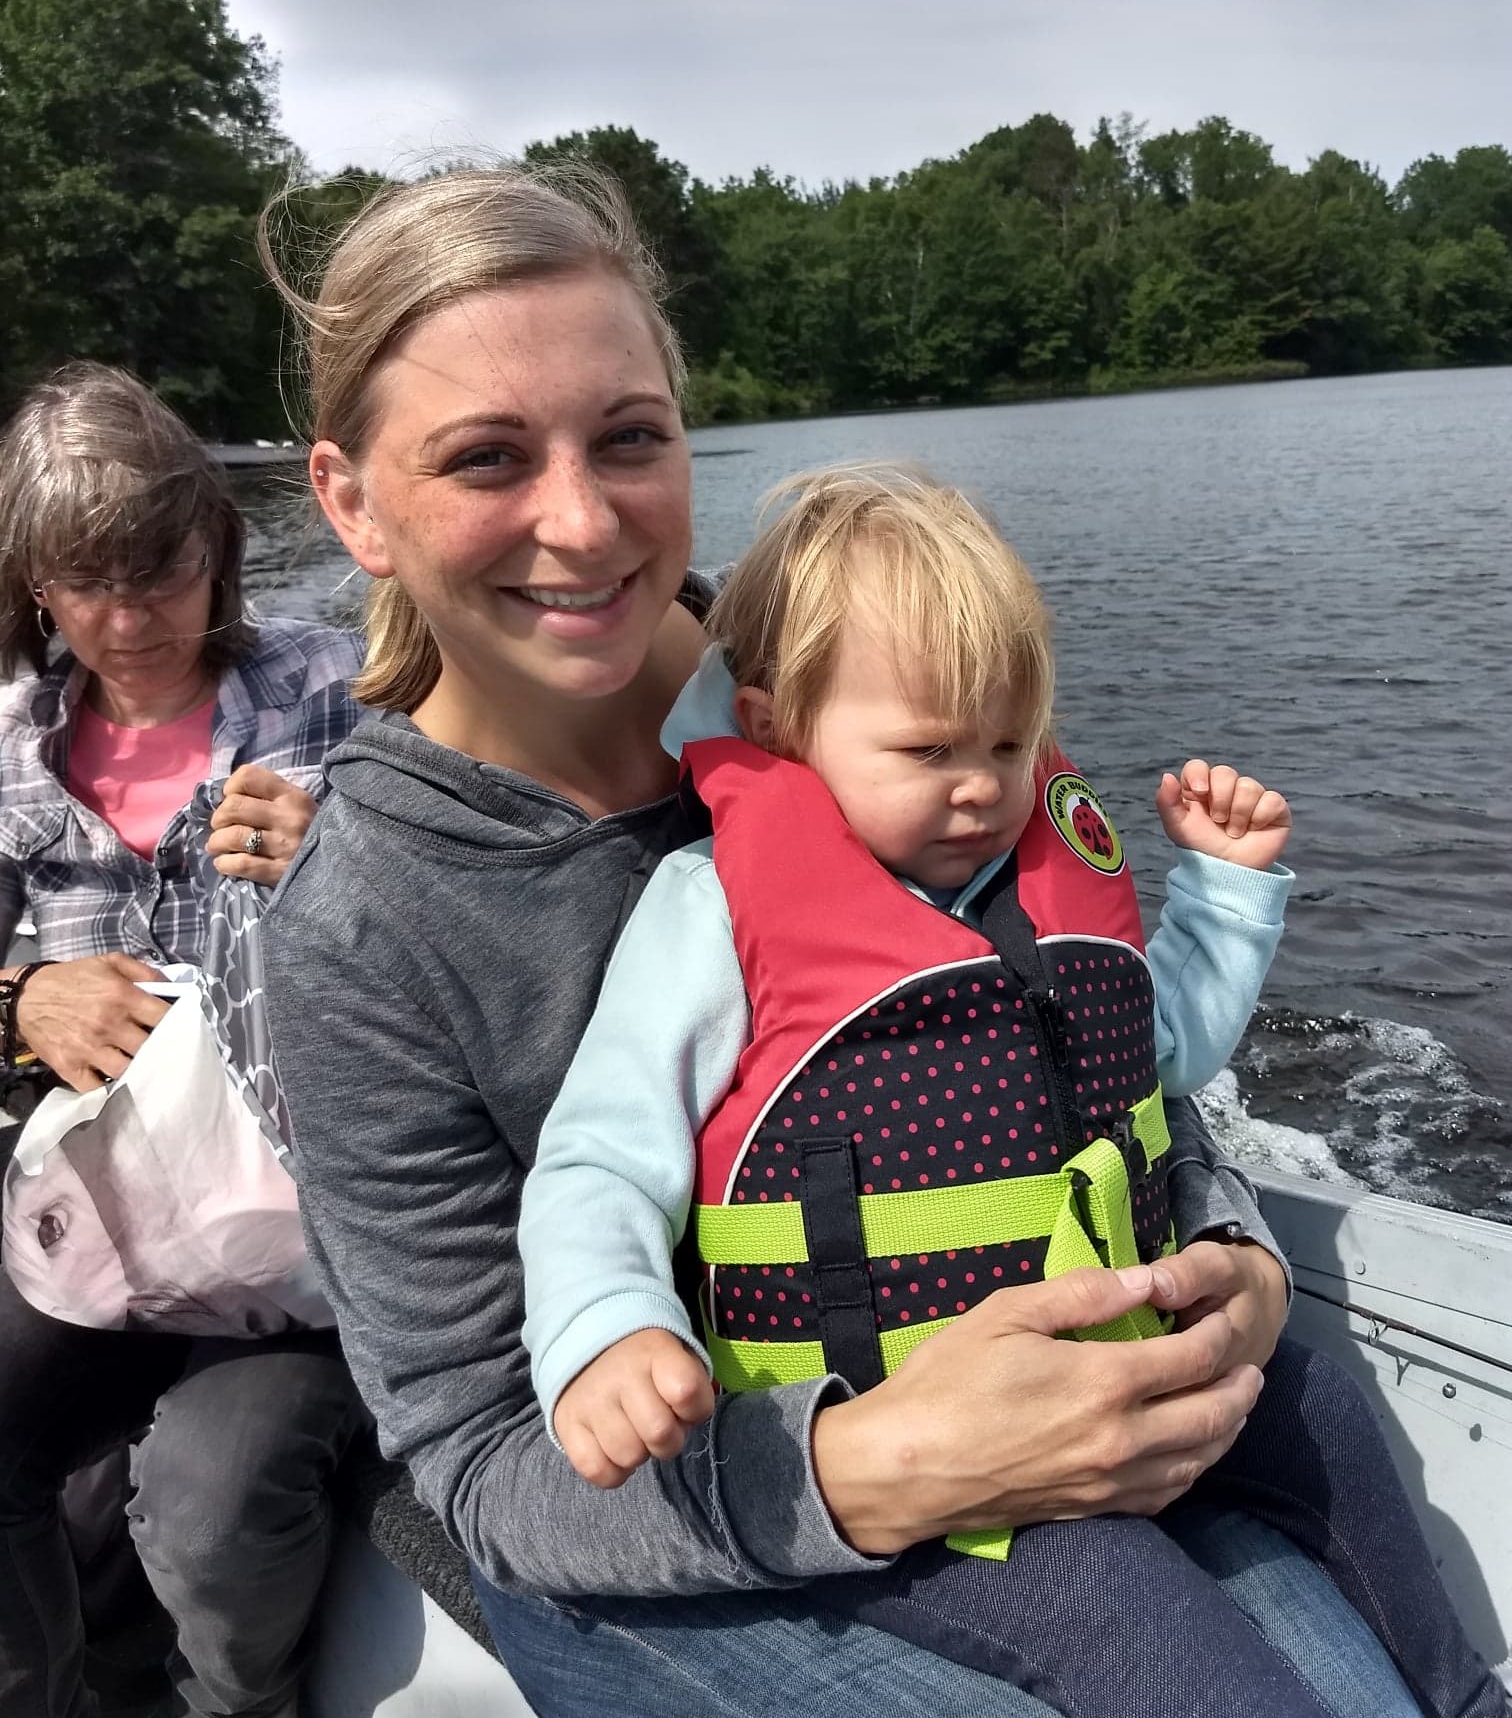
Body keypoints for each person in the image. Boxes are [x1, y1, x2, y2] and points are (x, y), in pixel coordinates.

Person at [260, 158, 1445, 1718]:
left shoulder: (885, 665)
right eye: (487, 456)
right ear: (351, 500)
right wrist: (871, 1465)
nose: (582, 519)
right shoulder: (359, 923)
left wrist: (1228, 1250)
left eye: (631, 436)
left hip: (1054, 1358)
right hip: (681, 1529)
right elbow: (480, 1452)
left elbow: (1078, 1035)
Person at [519, 464, 1504, 1717]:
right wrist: (609, 1329)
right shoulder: (711, 908)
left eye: (1007, 742)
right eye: (927, 750)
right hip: (931, 1445)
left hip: (1119, 1362)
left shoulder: (1033, 879)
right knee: (1150, 1628)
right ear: (775, 726)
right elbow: (602, 1159)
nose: (982, 786)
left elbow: (1162, 1054)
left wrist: (1224, 894)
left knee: (1322, 1411)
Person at [0, 363, 367, 1718]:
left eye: (160, 571)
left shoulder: (341, 687)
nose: (128, 617)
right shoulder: (11, 743)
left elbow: (476, 912)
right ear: (37, 587)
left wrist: (346, 861)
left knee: (208, 1504)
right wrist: (19, 1001)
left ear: (215, 545)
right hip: (103, 1232)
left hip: (303, 1247)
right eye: (84, 583)